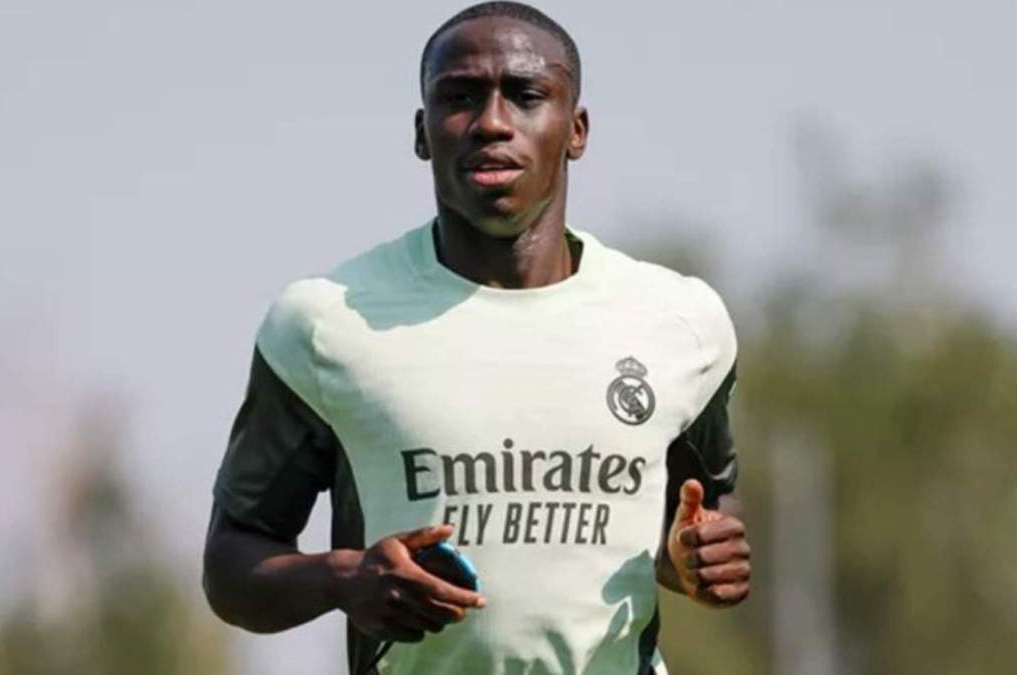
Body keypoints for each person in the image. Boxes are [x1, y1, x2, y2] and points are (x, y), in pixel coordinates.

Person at [202, 3, 751, 674]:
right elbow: (231, 563)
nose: (492, 122)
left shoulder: (680, 322)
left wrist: (694, 560)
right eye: (459, 97)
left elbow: (695, 517)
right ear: (422, 133)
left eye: (526, 96)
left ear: (576, 130)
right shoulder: (325, 324)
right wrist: (343, 578)